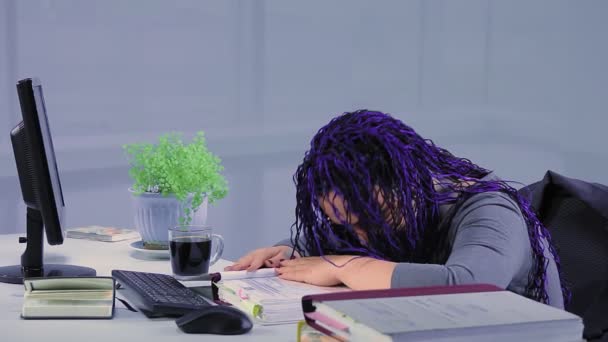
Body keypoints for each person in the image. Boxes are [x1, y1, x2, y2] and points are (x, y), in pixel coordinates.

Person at [225, 109, 568, 308]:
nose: (359, 235)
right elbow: (332, 243)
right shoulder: (396, 211)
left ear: (404, 185)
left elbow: (467, 283)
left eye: (366, 220)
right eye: (343, 222)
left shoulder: (490, 209)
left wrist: (347, 267)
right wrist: (290, 251)